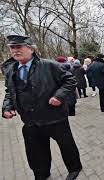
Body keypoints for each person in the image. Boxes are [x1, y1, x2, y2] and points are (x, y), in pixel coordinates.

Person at [2, 35, 82, 180]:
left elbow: (70, 80)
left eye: (19, 46)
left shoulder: (49, 65)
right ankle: (42, 173)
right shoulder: (10, 69)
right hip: (30, 121)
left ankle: (74, 168)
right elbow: (10, 91)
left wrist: (59, 96)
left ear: (31, 49)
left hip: (55, 118)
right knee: (36, 152)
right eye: (12, 47)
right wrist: (7, 107)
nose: (15, 50)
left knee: (67, 146)